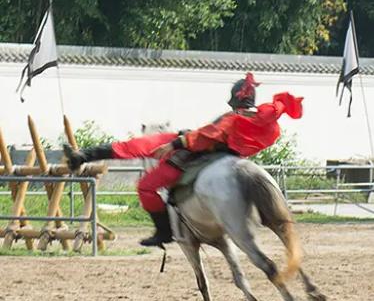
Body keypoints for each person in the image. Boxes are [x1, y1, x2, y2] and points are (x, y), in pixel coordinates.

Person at [63, 73, 303, 247]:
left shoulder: (232, 118)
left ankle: (164, 231)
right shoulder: (267, 123)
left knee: (144, 180)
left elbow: (205, 136)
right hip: (229, 156)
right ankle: (82, 155)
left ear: (235, 99)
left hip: (199, 152)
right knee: (139, 146)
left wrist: (176, 143)